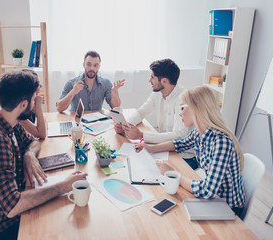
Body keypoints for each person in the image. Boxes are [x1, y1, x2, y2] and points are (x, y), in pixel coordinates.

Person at [0, 70, 87, 240]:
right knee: (66, 226)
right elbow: (13, 206)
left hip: (6, 203)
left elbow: (33, 141)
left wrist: (29, 155)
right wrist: (64, 186)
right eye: (34, 99)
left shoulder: (4, 119)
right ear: (23, 104)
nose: (36, 102)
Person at [134, 86, 245, 216]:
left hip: (226, 207)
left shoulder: (221, 142)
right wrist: (151, 148)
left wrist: (173, 174)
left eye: (182, 108)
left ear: (196, 108)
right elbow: (180, 144)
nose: (180, 113)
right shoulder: (199, 132)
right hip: (212, 200)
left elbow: (207, 191)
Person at [114, 58, 197, 169]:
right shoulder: (159, 93)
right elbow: (141, 112)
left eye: (152, 77)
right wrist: (125, 126)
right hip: (164, 149)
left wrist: (141, 135)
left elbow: (178, 136)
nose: (149, 81)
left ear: (164, 81)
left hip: (183, 156)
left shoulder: (182, 99)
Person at [56, 50, 125, 112]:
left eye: (95, 65)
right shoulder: (71, 83)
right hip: (77, 123)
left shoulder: (106, 83)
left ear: (99, 67)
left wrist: (115, 91)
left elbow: (115, 107)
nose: (92, 68)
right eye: (89, 64)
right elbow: (59, 108)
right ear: (84, 65)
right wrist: (73, 92)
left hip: (97, 123)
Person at [19, 71, 46, 139]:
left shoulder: (30, 103)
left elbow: (44, 119)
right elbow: (41, 134)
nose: (41, 85)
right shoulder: (19, 110)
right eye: (38, 83)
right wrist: (38, 108)